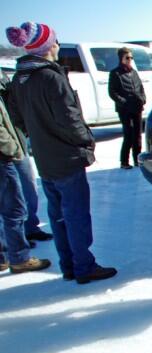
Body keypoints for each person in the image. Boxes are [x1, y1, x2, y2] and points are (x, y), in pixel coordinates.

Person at [6, 21, 117, 284]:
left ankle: (69, 265)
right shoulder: (50, 77)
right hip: (65, 157)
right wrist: (86, 141)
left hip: (44, 159)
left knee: (57, 215)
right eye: (54, 41)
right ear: (45, 47)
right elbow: (70, 118)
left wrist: (38, 134)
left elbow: (16, 118)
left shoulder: (20, 78)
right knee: (76, 214)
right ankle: (84, 267)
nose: (57, 45)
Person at [0, 93, 51, 274]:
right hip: (3, 159)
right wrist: (12, 148)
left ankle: (3, 256)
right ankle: (20, 258)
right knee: (13, 209)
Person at [109, 47, 146, 169]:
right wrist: (123, 102)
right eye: (127, 57)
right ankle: (124, 161)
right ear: (121, 58)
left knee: (138, 135)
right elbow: (112, 92)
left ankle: (137, 160)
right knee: (128, 134)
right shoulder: (115, 73)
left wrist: (142, 98)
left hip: (137, 107)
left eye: (131, 57)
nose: (130, 60)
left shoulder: (133, 72)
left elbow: (140, 87)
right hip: (125, 109)